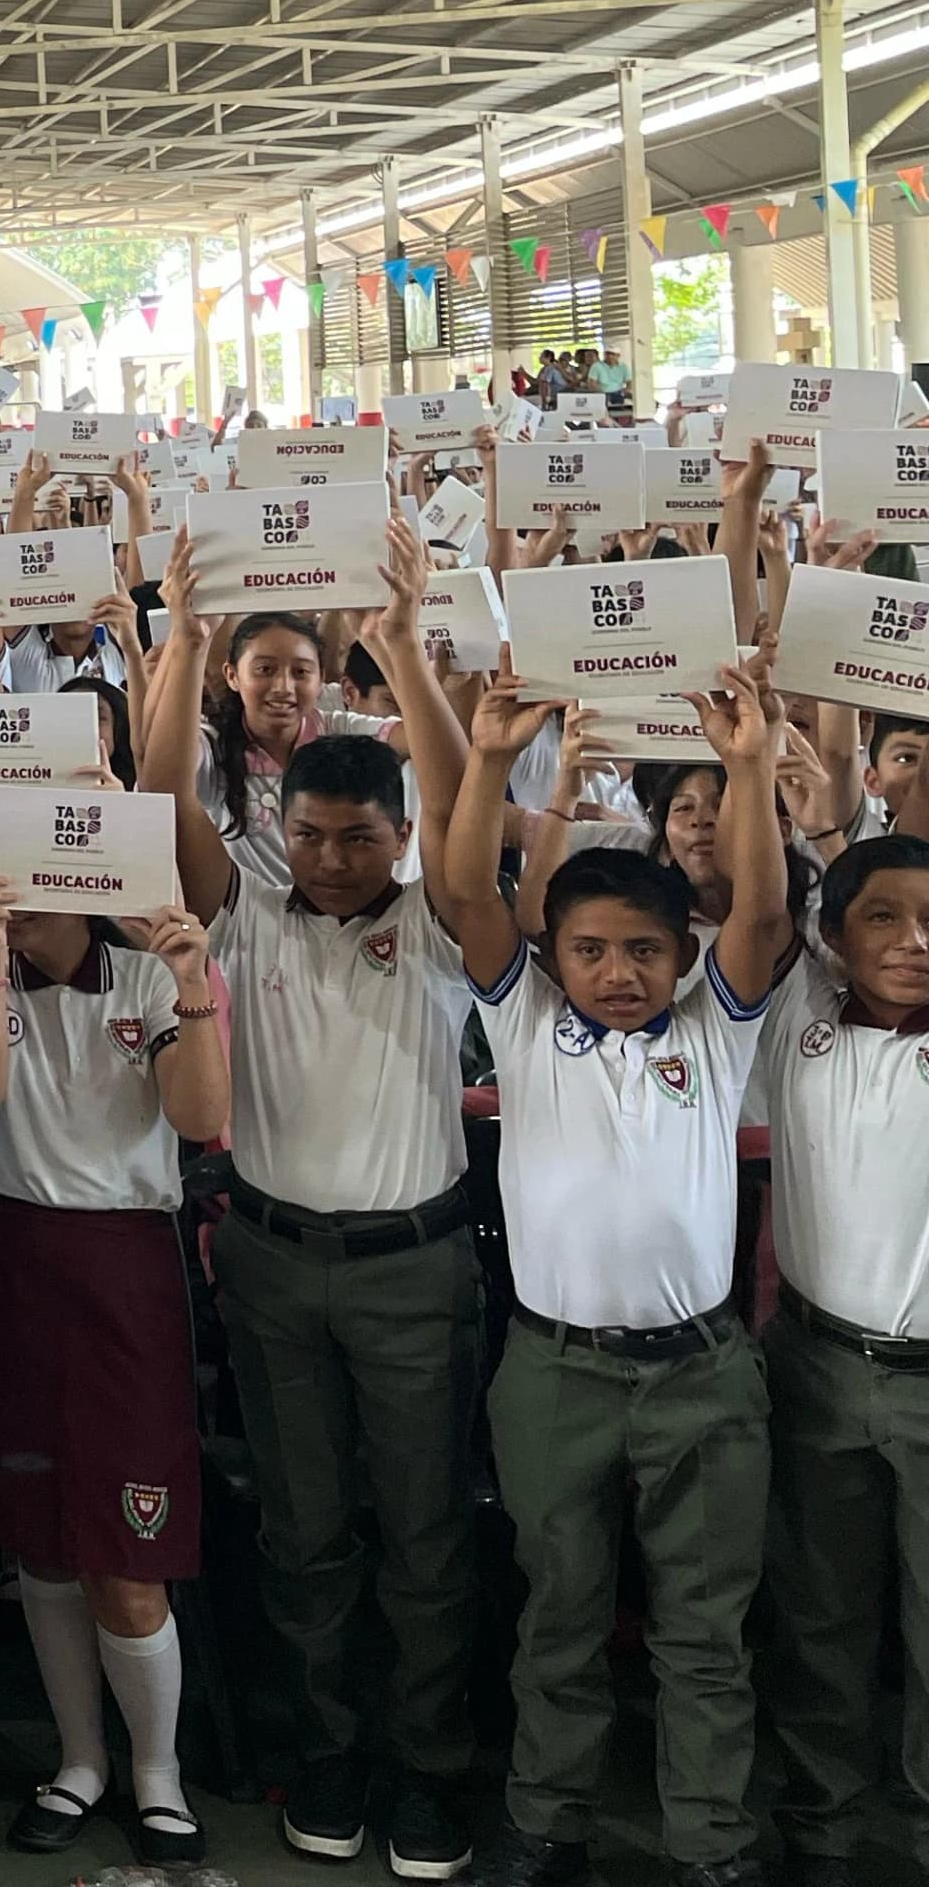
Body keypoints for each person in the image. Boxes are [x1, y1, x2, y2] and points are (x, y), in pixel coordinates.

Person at [143, 531, 481, 1879]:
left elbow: (467, 812)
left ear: (404, 841)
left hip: (415, 1272)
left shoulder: (447, 924)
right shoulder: (253, 916)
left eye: (361, 838)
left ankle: (433, 1772)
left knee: (427, 1536)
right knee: (304, 1531)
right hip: (275, 1265)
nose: (333, 858)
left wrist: (396, 644)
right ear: (281, 830)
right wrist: (175, 640)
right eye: (313, 835)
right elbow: (165, 808)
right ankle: (330, 1755)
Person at [437, 665, 791, 1887]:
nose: (620, 971)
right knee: (560, 1618)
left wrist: (748, 769)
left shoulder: (716, 1023)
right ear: (554, 954)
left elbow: (763, 915)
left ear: (683, 953)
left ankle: (712, 1845)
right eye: (590, 950)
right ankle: (545, 1827)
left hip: (699, 1375)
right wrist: (488, 762)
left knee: (704, 1633)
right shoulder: (527, 1023)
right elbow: (461, 896)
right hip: (554, 1373)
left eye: (646, 949)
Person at [0, 875, 229, 1864]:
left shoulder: (146, 973)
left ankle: (160, 1777)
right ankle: (79, 1763)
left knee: (128, 1555)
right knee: (44, 1544)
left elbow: (197, 1120)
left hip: (123, 1266)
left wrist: (190, 978)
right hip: (9, 1255)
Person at [755, 835, 929, 1886]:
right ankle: (821, 1832)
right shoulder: (799, 1023)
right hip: (817, 1367)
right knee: (820, 1618)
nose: (917, 942)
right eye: (885, 918)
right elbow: (764, 911)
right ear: (832, 937)